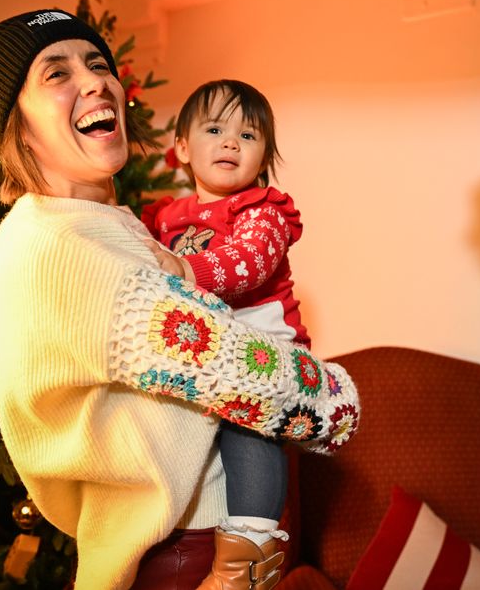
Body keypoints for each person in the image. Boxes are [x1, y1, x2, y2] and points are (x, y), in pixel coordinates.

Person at [0, 9, 360, 590]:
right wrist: (339, 397)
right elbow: (240, 368)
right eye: (56, 73)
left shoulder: (103, 226)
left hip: (173, 540)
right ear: (19, 128)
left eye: (98, 63)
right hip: (180, 553)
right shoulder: (62, 243)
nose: (95, 81)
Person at [142, 79, 309, 588]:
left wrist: (182, 270)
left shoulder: (263, 211)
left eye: (249, 134)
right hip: (199, 353)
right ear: (184, 148)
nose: (231, 141)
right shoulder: (164, 217)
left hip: (260, 348)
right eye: (215, 129)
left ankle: (246, 562)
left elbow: (248, 264)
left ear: (265, 156)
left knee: (250, 431)